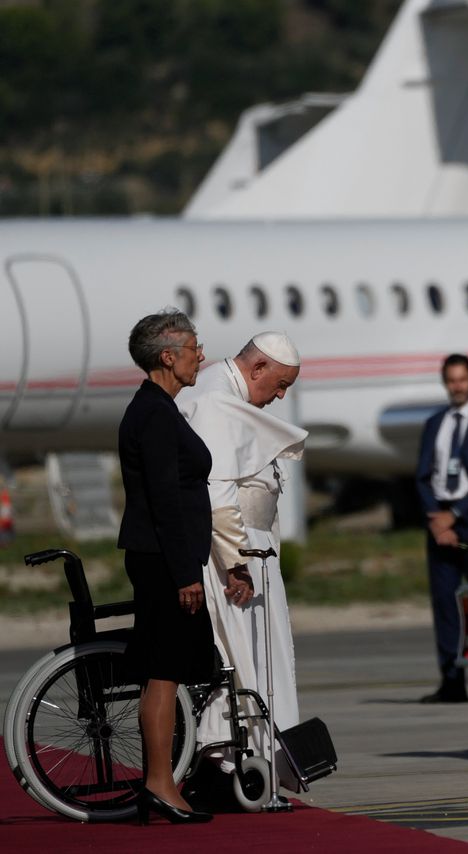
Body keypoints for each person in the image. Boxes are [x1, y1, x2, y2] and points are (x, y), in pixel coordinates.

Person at [178, 333, 307, 799]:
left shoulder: (222, 390)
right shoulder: (215, 398)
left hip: (247, 549)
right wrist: (235, 563)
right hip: (232, 554)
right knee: (242, 662)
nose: (280, 396)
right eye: (279, 384)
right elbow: (217, 493)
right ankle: (230, 772)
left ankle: (248, 767)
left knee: (256, 660)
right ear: (257, 369)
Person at [116, 310, 215, 825]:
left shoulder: (158, 407)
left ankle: (163, 780)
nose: (203, 355)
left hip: (163, 556)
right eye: (195, 347)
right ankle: (158, 782)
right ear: (167, 357)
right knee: (163, 675)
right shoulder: (154, 414)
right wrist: (185, 574)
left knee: (168, 671)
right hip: (163, 561)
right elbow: (164, 502)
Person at [414, 354, 468, 703]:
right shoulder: (435, 422)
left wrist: (457, 515)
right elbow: (422, 476)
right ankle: (451, 679)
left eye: (462, 380)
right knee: (445, 603)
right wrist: (436, 518)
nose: (457, 387)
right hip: (439, 521)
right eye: (452, 381)